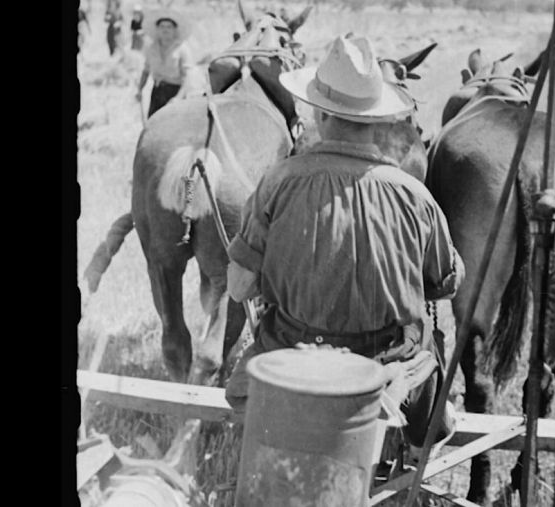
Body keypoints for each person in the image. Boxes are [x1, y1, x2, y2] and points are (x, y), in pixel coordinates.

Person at [224, 35, 465, 459]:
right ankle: (420, 430)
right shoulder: (414, 195)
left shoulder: (277, 182)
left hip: (290, 361)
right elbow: (447, 283)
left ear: (319, 113)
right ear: (379, 121)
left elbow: (240, 287)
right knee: (429, 339)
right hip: (382, 365)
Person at [136, 8, 195, 118]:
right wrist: (140, 89)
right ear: (157, 29)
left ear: (174, 30)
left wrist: (178, 97)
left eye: (169, 27)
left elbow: (188, 77)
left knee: (174, 129)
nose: (165, 30)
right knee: (154, 126)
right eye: (162, 26)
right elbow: (146, 71)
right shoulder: (152, 48)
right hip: (157, 92)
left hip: (175, 92)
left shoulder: (182, 48)